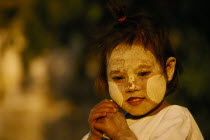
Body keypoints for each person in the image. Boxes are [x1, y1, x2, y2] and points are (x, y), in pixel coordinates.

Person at [82, 1, 204, 140]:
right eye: (119, 78)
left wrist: (121, 134)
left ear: (168, 70)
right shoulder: (112, 126)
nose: (132, 86)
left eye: (143, 73)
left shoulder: (176, 119)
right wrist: (95, 134)